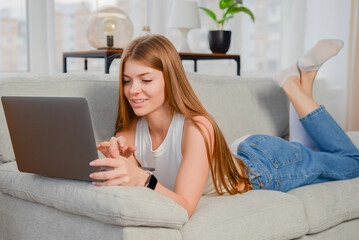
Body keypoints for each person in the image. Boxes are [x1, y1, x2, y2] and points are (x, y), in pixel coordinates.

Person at [89, 35, 359, 218]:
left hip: (264, 165)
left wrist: (141, 178)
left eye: (145, 80)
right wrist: (119, 162)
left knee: (351, 161)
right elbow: (128, 175)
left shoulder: (197, 128)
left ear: (169, 80)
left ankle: (291, 84)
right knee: (306, 150)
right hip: (240, 152)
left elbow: (183, 207)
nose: (133, 90)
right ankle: (305, 77)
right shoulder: (130, 131)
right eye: (126, 81)